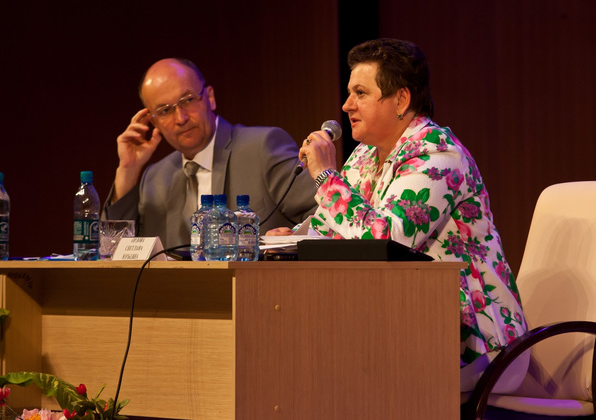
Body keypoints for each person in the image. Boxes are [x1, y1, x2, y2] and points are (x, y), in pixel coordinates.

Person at [270, 38, 529, 393]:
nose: (346, 105)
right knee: (308, 360)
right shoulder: (364, 155)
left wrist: (326, 176)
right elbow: (333, 229)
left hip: (477, 343)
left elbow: (386, 241)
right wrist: (293, 239)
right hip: (403, 321)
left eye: (360, 93)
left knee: (343, 377)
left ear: (401, 100)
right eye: (349, 93)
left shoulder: (438, 154)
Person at [103, 58, 317, 248]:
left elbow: (322, 213)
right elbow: (116, 249)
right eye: (165, 110)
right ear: (153, 121)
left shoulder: (262, 147)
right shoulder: (155, 177)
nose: (181, 118)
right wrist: (128, 170)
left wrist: (286, 240)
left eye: (188, 100)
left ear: (210, 97)